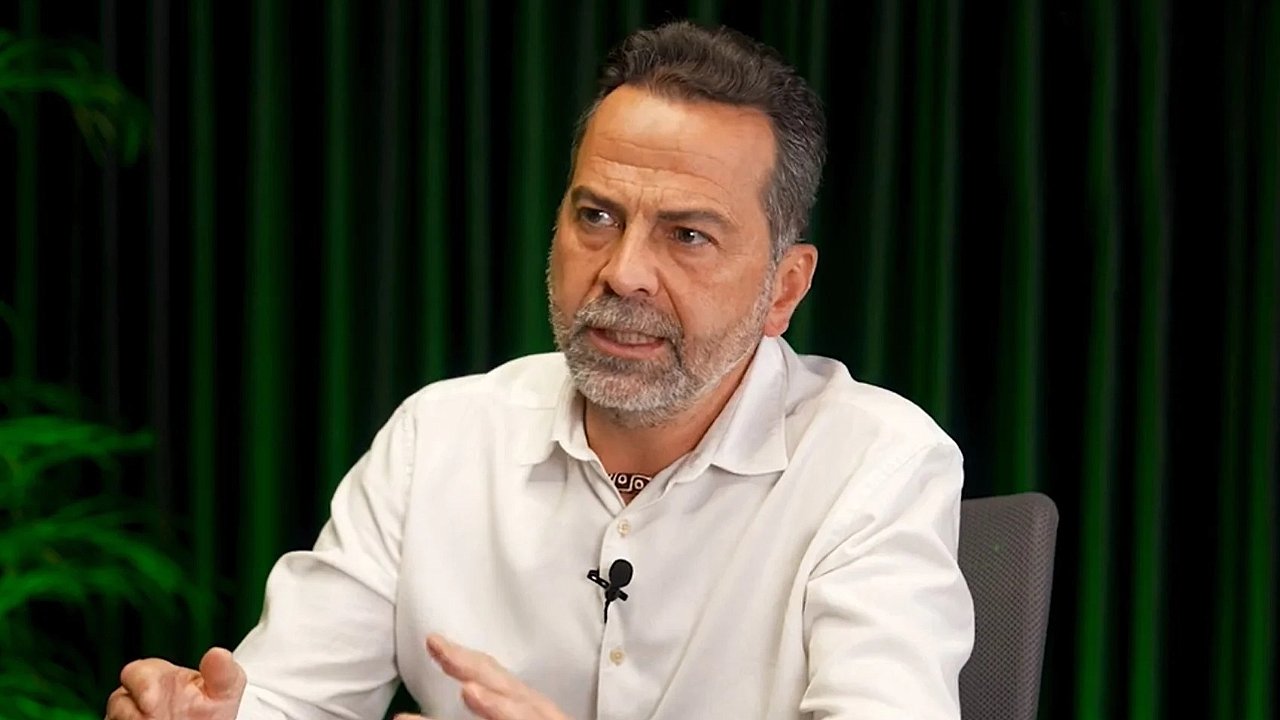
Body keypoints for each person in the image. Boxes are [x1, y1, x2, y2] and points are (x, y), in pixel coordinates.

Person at [106, 19, 974, 720]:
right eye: (597, 216)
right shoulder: (439, 437)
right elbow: (293, 698)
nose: (624, 273)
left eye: (687, 235)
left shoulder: (874, 463)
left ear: (784, 288)